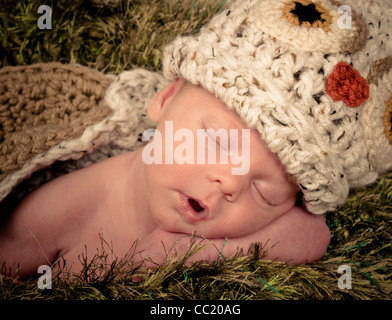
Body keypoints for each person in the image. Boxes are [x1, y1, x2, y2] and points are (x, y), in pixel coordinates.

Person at [1, 0, 391, 279]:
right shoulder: (59, 211)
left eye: (265, 191)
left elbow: (312, 234)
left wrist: (181, 253)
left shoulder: (248, 225)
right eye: (218, 140)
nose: (233, 181)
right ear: (166, 99)